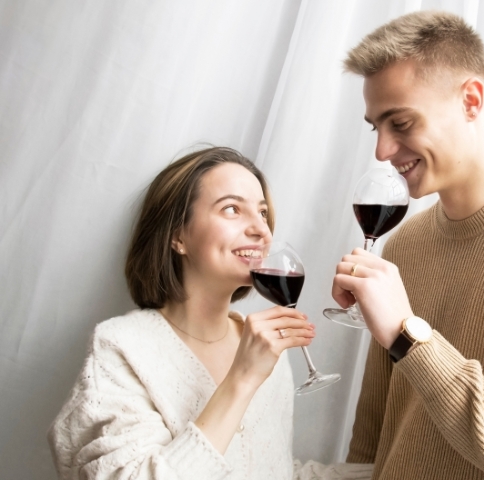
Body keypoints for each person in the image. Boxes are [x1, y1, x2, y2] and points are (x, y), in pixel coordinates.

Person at [331, 11, 484, 480]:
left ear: (471, 100)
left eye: (400, 122)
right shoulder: (403, 245)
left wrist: (409, 336)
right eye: (375, 128)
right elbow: (372, 440)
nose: (382, 151)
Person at [48, 147, 316, 479]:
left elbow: (274, 470)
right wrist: (242, 378)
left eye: (262, 213)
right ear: (177, 236)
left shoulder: (267, 348)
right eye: (232, 209)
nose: (262, 230)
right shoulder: (121, 347)